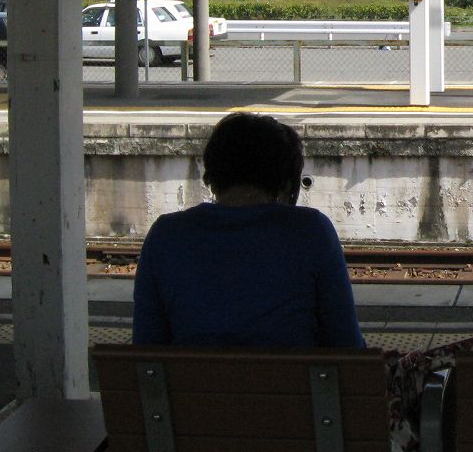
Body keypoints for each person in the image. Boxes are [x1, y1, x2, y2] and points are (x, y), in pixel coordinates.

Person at [132, 112, 364, 348]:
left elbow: (145, 345)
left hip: (188, 374)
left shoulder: (166, 235)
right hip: (289, 373)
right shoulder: (312, 231)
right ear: (285, 181)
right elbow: (348, 346)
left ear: (212, 175)